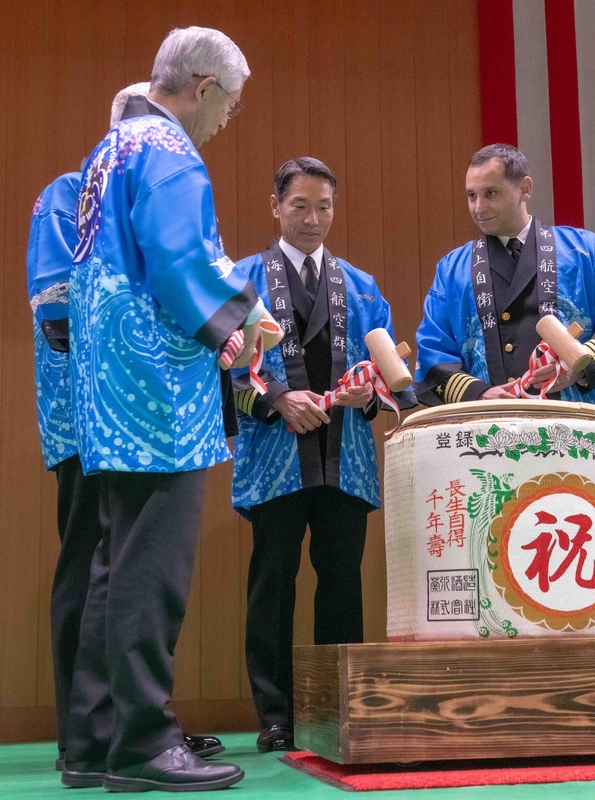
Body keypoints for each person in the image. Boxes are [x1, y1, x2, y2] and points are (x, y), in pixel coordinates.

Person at [62, 28, 264, 792]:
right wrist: (241, 322)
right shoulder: (171, 154)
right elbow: (181, 264)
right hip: (158, 389)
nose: (225, 123)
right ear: (204, 87)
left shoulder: (108, 151)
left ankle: (94, 738)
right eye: (231, 107)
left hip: (108, 384)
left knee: (114, 564)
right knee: (152, 568)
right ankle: (145, 742)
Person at [26, 81, 224, 775]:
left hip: (114, 403)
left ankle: (101, 734)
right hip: (95, 412)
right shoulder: (74, 191)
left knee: (111, 563)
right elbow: (58, 314)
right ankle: (93, 732)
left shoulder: (117, 187)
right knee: (95, 564)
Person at [231, 157, 414, 753]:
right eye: (301, 206)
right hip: (276, 456)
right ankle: (276, 714)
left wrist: (368, 395)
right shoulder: (242, 281)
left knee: (342, 583)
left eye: (325, 207)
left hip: (345, 456)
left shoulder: (360, 285)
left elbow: (394, 379)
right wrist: (279, 399)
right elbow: (223, 368)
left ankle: (337, 707)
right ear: (275, 206)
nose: (313, 219)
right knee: (273, 583)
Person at [415, 143, 595, 409]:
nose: (478, 208)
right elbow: (433, 352)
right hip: (489, 428)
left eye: (490, 193)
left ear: (525, 189)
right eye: (471, 196)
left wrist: (578, 367)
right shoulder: (451, 269)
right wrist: (478, 394)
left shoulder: (584, 250)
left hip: (575, 424)